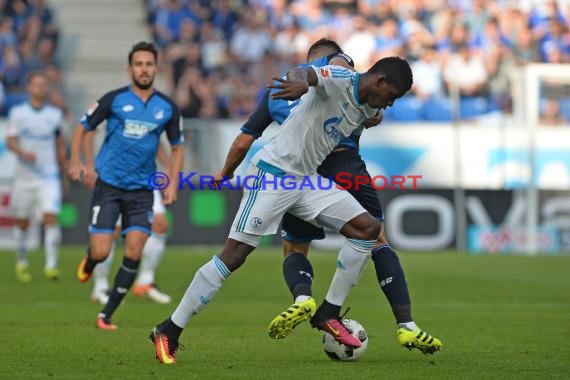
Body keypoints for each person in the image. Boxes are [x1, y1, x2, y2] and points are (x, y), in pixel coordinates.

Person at [149, 55, 413, 364]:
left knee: (367, 228)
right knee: (233, 255)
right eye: (392, 96)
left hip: (306, 180)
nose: (390, 104)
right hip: (273, 175)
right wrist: (300, 81)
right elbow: (306, 73)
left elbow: (360, 113)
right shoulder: (340, 78)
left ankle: (328, 313)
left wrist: (371, 117)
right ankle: (170, 329)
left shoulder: (369, 105)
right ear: (379, 81)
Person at [218, 38, 442, 355]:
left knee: (295, 247)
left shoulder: (279, 91)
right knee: (376, 238)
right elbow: (355, 86)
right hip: (343, 163)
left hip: (301, 172)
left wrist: (224, 173)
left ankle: (302, 298)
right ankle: (405, 325)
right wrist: (371, 112)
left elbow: (243, 141)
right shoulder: (341, 67)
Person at [68, 41, 184, 330]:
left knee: (134, 250)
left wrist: (172, 182)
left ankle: (106, 315)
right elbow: (83, 128)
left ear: (156, 69)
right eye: (139, 64)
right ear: (129, 69)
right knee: (102, 251)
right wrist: (78, 162)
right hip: (108, 185)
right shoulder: (114, 99)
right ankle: (90, 260)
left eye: (149, 64)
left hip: (142, 191)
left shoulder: (167, 108)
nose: (144, 69)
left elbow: (177, 147)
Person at [83, 135, 173, 305]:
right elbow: (88, 130)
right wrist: (90, 165)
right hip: (115, 179)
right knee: (110, 234)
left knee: (160, 224)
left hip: (143, 179)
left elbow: (155, 136)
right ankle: (100, 287)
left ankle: (145, 282)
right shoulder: (114, 109)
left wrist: (167, 166)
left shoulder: (156, 110)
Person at [7, 71, 67, 283]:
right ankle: (21, 262)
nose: (40, 88)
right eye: (36, 84)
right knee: (22, 223)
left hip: (48, 176)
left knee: (51, 218)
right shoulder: (18, 113)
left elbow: (60, 144)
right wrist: (23, 153)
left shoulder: (55, 115)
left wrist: (63, 173)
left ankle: (51, 266)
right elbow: (10, 141)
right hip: (24, 178)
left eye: (44, 84)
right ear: (29, 87)